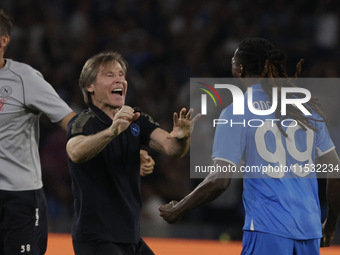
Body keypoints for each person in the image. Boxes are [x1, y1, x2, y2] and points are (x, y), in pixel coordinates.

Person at [159, 38, 340, 254]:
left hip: (267, 230)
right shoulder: (306, 111)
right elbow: (336, 173)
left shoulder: (236, 112)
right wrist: (329, 225)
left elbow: (220, 180)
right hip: (310, 232)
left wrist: (179, 209)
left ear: (239, 69)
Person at [66, 51, 200, 255]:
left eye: (121, 74)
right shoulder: (83, 121)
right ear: (90, 86)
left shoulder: (137, 119)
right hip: (96, 239)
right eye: (109, 75)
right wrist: (112, 131)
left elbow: (172, 149)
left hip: (131, 238)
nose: (119, 79)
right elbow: (75, 151)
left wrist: (182, 137)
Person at [0, 9, 76, 255]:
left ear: (4, 40)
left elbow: (71, 121)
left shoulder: (25, 78)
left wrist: (118, 149)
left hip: (19, 198)